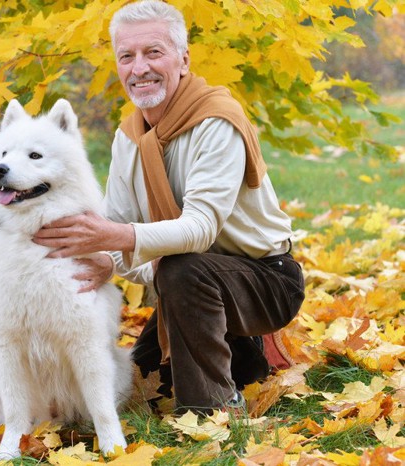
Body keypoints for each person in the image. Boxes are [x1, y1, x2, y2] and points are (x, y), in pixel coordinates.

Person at [33, 0, 305, 414]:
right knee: (142, 387)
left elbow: (198, 231)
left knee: (182, 267)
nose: (139, 68)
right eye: (127, 56)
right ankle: (243, 353)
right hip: (188, 286)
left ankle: (212, 411)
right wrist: (108, 258)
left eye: (153, 52)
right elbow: (124, 241)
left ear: (183, 59)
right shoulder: (129, 137)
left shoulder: (217, 120)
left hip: (268, 280)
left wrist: (119, 240)